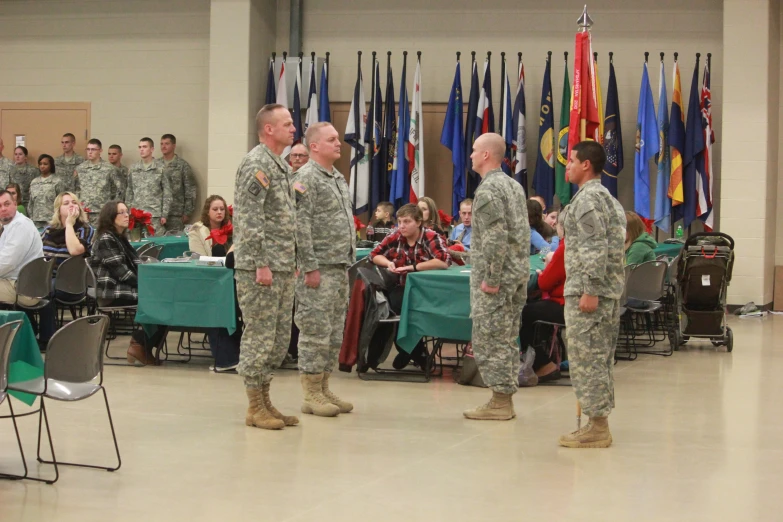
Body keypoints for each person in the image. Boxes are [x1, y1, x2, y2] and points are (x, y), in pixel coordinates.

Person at [233, 104, 298, 431]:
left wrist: (292, 261)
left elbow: (285, 219)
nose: (294, 128)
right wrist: (261, 263)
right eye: (287, 124)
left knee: (276, 339)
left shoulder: (279, 166)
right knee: (259, 336)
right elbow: (249, 218)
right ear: (268, 129)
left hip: (282, 266)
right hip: (261, 267)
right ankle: (254, 406)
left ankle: (266, 400)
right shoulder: (257, 164)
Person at [559, 141, 625, 448]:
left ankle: (597, 426)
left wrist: (590, 290)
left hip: (591, 292)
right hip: (604, 290)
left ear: (586, 165)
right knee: (598, 356)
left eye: (572, 160)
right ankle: (597, 421)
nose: (567, 166)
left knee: (588, 357)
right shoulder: (606, 198)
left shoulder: (588, 200)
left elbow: (594, 247)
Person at [463, 133, 530, 421]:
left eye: (475, 150)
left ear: (487, 155)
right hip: (515, 274)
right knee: (506, 336)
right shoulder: (513, 186)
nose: (471, 155)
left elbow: (495, 237)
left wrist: (491, 277)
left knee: (491, 338)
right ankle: (503, 399)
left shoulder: (489, 190)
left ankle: (501, 401)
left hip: (498, 278)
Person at [293, 122, 356, 417]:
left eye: (338, 139)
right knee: (315, 331)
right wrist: (309, 266)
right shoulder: (305, 177)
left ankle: (324, 386)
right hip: (317, 268)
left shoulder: (336, 178)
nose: (338, 143)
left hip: (338, 265)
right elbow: (299, 226)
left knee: (332, 333)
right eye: (331, 139)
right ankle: (310, 393)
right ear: (314, 146)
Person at [370, 203, 451, 370]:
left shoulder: (431, 236)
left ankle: (410, 351)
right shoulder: (395, 236)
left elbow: (443, 261)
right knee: (391, 307)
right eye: (399, 222)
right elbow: (374, 255)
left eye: (406, 222)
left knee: (405, 308)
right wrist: (388, 262)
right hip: (402, 288)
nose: (402, 226)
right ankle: (415, 353)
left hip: (428, 291)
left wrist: (413, 268)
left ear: (419, 222)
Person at [90, 201, 165, 365]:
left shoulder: (120, 237)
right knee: (159, 301)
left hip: (123, 287)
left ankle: (141, 344)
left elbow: (135, 267)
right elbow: (122, 273)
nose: (126, 216)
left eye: (127, 212)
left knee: (163, 297)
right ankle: (140, 344)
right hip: (111, 291)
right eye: (121, 213)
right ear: (111, 217)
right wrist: (147, 285)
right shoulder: (106, 239)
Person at [38, 193, 95, 344]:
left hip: (71, 283)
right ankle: (30, 333)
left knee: (44, 289)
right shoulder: (48, 231)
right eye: (66, 203)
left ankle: (47, 340)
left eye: (74, 202)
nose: (71, 205)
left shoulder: (85, 229)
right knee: (23, 288)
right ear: (58, 209)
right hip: (47, 278)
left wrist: (69, 224)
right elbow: (36, 253)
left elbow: (75, 250)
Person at [519, 211, 566, 383]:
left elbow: (545, 283)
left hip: (563, 304)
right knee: (532, 307)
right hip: (566, 303)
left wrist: (546, 268)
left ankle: (543, 363)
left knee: (522, 313)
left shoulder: (562, 247)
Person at [0, 189, 43, 307]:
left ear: (15, 204)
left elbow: (6, 263)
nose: (3, 209)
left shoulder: (20, 225)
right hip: (17, 283)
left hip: (25, 290)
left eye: (7, 204)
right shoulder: (9, 226)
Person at [125, 137, 172, 236]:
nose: (141, 149)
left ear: (152, 149)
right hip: (136, 214)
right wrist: (128, 212)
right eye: (140, 147)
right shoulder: (133, 168)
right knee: (135, 242)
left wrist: (164, 214)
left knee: (154, 243)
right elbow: (129, 191)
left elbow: (167, 193)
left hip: (153, 215)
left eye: (145, 147)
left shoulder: (161, 168)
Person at [74, 138, 122, 227]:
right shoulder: (80, 168)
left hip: (102, 211)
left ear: (100, 151)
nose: (90, 152)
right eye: (88, 149)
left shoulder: (110, 169)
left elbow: (118, 191)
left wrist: (112, 209)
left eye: (93, 149)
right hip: (84, 212)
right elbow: (76, 189)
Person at [160, 134, 197, 232]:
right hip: (158, 213)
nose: (163, 146)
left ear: (174, 146)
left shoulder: (182, 166)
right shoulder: (156, 165)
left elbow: (190, 190)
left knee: (174, 241)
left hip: (176, 213)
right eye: (161, 144)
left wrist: (187, 212)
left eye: (167, 144)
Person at [28, 155, 63, 228]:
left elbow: (60, 202)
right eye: (40, 164)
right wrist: (31, 218)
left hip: (51, 220)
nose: (42, 166)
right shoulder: (34, 182)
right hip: (36, 220)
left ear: (51, 165)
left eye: (45, 164)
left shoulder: (57, 181)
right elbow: (31, 203)